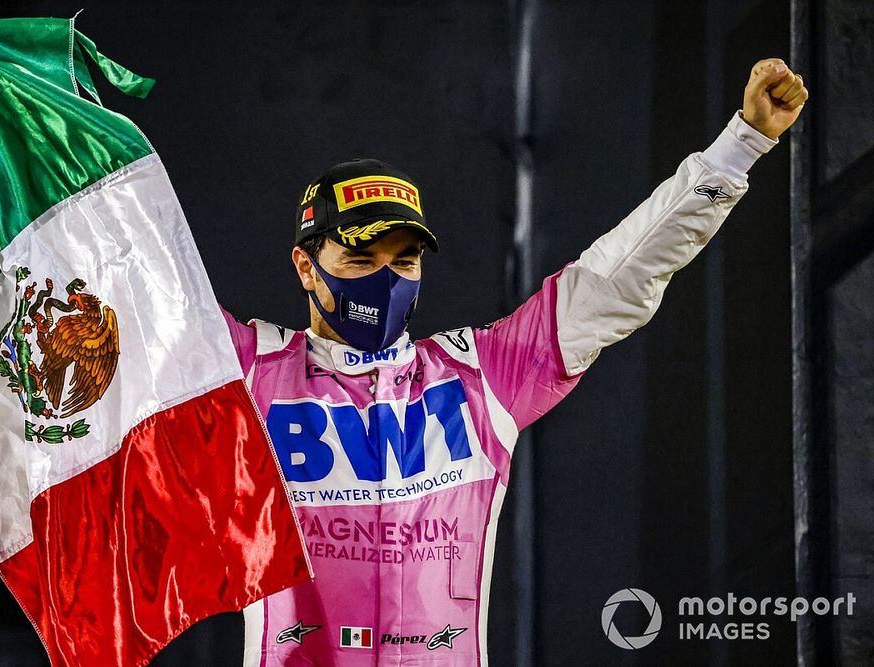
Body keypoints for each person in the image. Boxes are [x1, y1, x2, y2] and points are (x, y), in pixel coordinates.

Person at [220, 58, 807, 666]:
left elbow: (618, 274)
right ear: (304, 266)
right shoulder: (248, 373)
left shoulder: (478, 377)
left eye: (405, 260)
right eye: (362, 259)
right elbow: (143, 294)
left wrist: (741, 145)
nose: (386, 279)